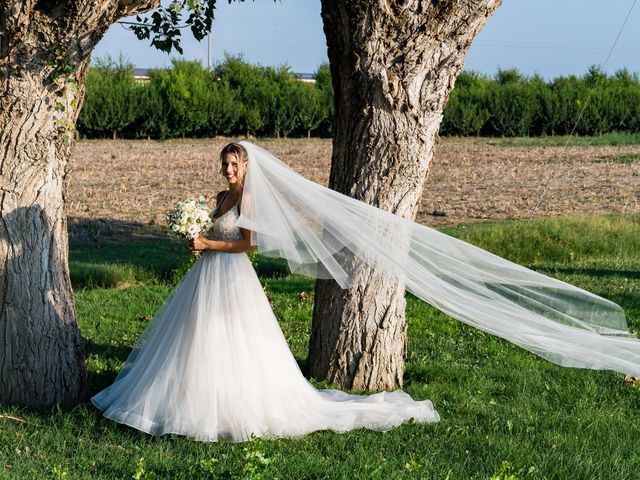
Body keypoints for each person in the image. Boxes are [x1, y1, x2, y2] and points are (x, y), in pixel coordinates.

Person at [91, 142, 440, 442]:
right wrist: (197, 244)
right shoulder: (220, 196)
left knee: (235, 338)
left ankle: (233, 407)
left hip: (232, 276)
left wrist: (209, 242)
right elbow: (213, 234)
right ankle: (190, 398)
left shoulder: (249, 199)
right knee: (196, 335)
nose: (228, 169)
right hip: (206, 273)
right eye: (224, 164)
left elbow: (248, 245)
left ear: (245, 166)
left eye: (233, 164)